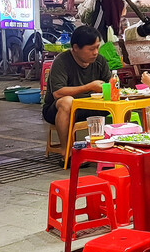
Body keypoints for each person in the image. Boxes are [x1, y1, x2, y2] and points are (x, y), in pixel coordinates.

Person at [42, 26, 111, 156]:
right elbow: (58, 92)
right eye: (91, 49)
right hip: (58, 109)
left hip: (91, 106)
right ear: (75, 48)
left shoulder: (100, 61)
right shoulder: (62, 61)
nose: (95, 52)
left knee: (123, 102)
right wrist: (89, 87)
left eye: (97, 47)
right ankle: (67, 152)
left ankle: (119, 149)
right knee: (67, 101)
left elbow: (111, 84)